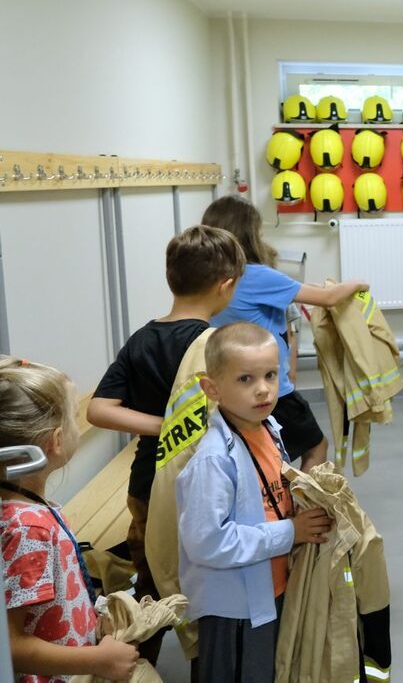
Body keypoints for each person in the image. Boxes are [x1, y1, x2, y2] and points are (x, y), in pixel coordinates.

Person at [87, 224, 245, 666]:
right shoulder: (217, 344)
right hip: (205, 486)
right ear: (225, 285)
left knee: (151, 588)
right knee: (211, 590)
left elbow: (99, 409)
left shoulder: (142, 338)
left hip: (146, 485)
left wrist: (160, 425)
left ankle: (131, 671)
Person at [176, 322, 333, 683]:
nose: (263, 389)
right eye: (245, 379)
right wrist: (290, 532)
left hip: (270, 588)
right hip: (235, 608)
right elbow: (207, 543)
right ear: (212, 388)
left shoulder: (266, 427)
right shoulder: (214, 459)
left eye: (271, 375)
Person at [201, 196, 369, 472]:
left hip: (232, 386)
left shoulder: (212, 278)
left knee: (261, 457)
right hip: (270, 389)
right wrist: (358, 283)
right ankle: (298, 509)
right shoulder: (255, 275)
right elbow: (327, 298)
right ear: (249, 235)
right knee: (316, 446)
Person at [2, 357, 141, 682]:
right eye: (74, 418)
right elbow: (11, 645)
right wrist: (97, 661)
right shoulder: (29, 528)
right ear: (56, 441)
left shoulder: (27, 509)